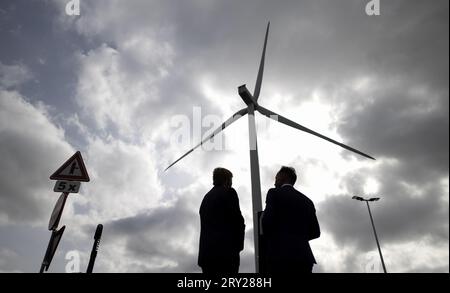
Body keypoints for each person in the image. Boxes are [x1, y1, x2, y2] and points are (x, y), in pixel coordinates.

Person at [261, 166, 320, 273]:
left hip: (279, 255)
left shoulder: (274, 193)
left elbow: (267, 222)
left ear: (283, 178)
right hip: (304, 257)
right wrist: (298, 238)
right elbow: (316, 232)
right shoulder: (307, 201)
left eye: (276, 179)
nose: (274, 183)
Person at [198, 167, 245, 274]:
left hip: (207, 256)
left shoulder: (206, 198)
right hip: (226, 254)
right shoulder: (229, 193)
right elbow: (238, 221)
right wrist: (238, 247)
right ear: (227, 180)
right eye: (231, 181)